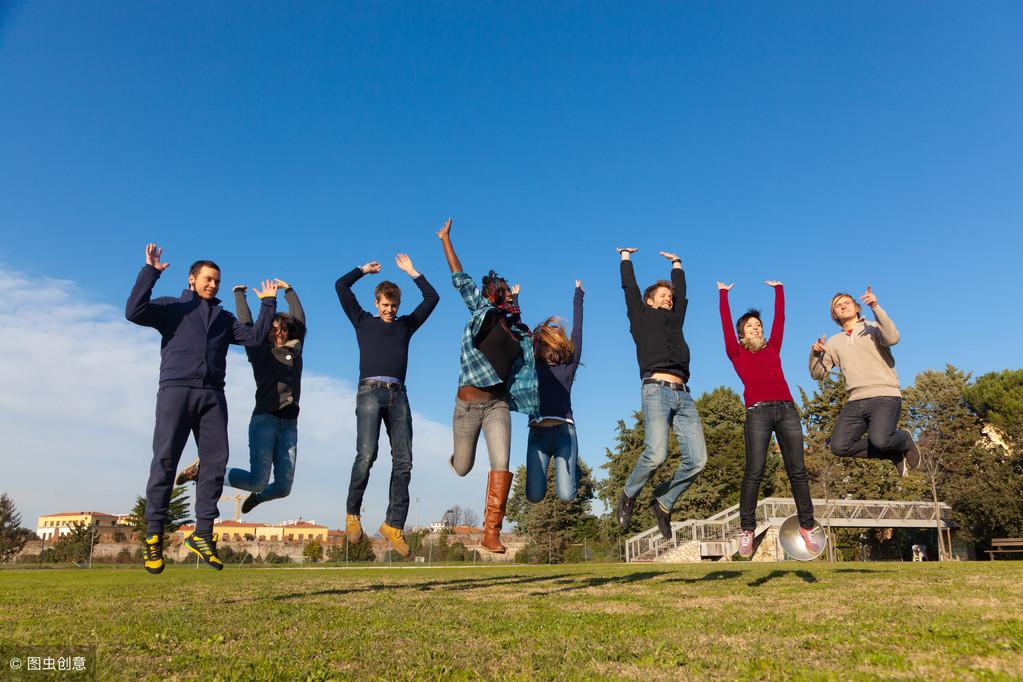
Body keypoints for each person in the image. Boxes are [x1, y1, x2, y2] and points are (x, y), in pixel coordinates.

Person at [125, 243, 278, 573]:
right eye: (208, 279)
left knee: (215, 462)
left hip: (212, 395)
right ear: (192, 279)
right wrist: (150, 272)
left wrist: (268, 304)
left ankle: (203, 532)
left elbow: (255, 338)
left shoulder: (223, 319)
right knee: (165, 460)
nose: (213, 284)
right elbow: (133, 311)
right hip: (176, 391)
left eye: (217, 281)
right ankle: (153, 536)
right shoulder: (172, 308)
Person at [437, 218, 539, 553]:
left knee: (501, 463)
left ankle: (491, 531)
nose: (508, 296)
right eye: (504, 292)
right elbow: (459, 279)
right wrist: (445, 240)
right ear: (493, 294)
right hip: (467, 405)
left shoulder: (520, 333)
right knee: (463, 468)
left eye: (510, 295)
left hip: (497, 406)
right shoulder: (483, 310)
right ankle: (456, 457)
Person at [335, 253, 439, 557]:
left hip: (399, 396)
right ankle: (352, 515)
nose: (390, 310)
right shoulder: (362, 321)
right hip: (369, 393)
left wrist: (413, 272)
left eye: (394, 306)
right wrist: (363, 270)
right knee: (367, 455)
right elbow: (341, 287)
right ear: (376, 302)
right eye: (385, 305)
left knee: (404, 461)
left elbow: (432, 298)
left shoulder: (406, 326)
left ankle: (394, 524)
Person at [717, 280, 817, 558]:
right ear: (742, 333)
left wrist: (780, 290)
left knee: (797, 470)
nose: (757, 328)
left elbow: (781, 318)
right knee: (755, 470)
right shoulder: (735, 352)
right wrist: (723, 295)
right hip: (757, 412)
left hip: (786, 409)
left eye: (758, 325)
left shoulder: (773, 347)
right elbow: (725, 325)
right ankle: (747, 530)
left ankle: (807, 526)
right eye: (750, 326)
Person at [615, 248, 707, 541]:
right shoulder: (640, 317)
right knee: (656, 454)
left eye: (670, 295)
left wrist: (677, 265)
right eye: (663, 295)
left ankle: (664, 502)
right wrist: (626, 259)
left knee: (698, 460)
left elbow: (681, 294)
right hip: (656, 390)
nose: (669, 298)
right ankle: (629, 495)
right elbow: (630, 288)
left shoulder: (675, 318)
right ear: (649, 300)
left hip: (684, 395)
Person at [204, 278, 306, 516]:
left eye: (283, 329)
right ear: (268, 332)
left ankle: (258, 498)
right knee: (257, 480)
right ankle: (207, 471)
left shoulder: (296, 349)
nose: (279, 333)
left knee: (282, 488)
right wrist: (240, 295)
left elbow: (299, 319)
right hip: (265, 421)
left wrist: (290, 290)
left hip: (290, 425)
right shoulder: (259, 351)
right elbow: (247, 325)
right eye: (274, 330)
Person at [809, 286, 920, 475]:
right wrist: (814, 354)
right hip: (855, 400)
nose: (843, 307)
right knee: (839, 446)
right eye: (838, 306)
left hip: (884, 394)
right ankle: (892, 454)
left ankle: (904, 440)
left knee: (881, 439)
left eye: (847, 303)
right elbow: (817, 374)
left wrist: (876, 307)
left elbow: (893, 338)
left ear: (857, 307)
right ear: (834, 314)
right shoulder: (834, 342)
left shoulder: (873, 328)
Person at [526, 281, 584, 503]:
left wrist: (578, 297)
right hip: (537, 435)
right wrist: (516, 300)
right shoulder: (533, 367)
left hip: (564, 434)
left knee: (567, 495)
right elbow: (526, 340)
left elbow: (577, 333)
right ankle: (569, 467)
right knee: (534, 496)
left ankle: (574, 470)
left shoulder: (569, 367)